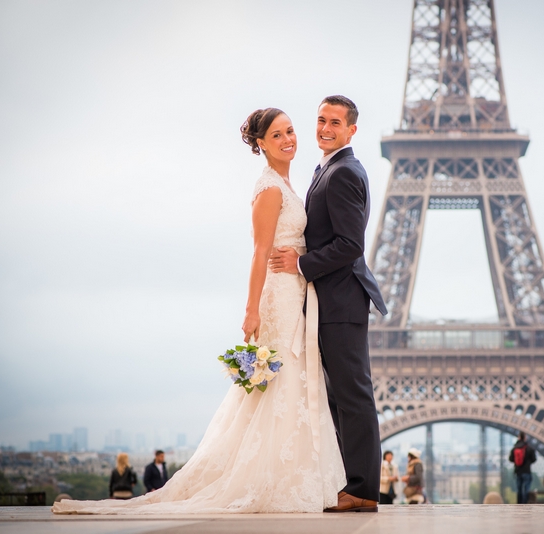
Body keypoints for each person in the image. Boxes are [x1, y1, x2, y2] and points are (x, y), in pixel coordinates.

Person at [53, 106, 349, 514]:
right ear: (260, 143)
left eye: (291, 131)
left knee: (286, 384)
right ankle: (272, 477)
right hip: (278, 295)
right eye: (278, 134)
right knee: (281, 382)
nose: (289, 139)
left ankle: (280, 474)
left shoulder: (287, 183)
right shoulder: (269, 188)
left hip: (294, 292)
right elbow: (260, 251)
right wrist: (251, 310)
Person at [270, 95, 387, 513]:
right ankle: (352, 485)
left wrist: (301, 264)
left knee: (352, 395)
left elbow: (351, 244)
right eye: (320, 119)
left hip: (341, 301)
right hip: (332, 301)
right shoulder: (329, 169)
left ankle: (362, 489)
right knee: (341, 396)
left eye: (334, 122)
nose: (324, 128)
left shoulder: (343, 172)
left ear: (351, 129)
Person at [510, 432, 537, 504]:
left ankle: (519, 504)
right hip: (527, 471)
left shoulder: (515, 448)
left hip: (518, 471)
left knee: (519, 489)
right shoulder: (529, 448)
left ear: (518, 437)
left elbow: (511, 459)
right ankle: (525, 504)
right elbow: (534, 459)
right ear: (525, 437)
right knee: (526, 488)